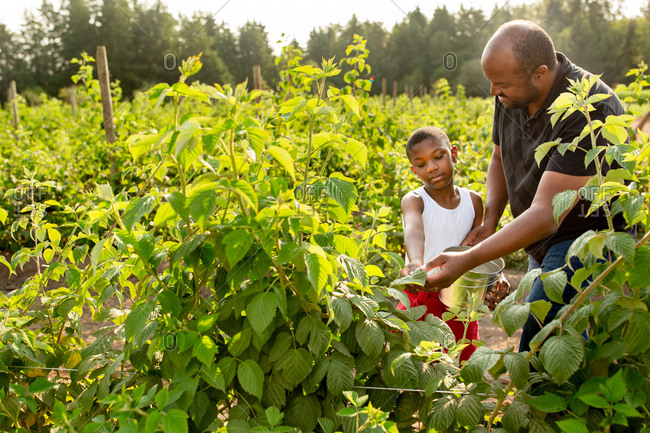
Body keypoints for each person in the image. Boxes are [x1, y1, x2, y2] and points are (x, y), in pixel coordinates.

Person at [420, 20, 625, 352]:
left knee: (544, 341)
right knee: (558, 330)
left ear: (540, 74)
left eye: (500, 84)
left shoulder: (590, 108)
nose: (493, 93)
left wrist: (468, 259)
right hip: (540, 239)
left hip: (588, 237)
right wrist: (489, 222)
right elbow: (499, 158)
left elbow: (547, 214)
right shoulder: (511, 94)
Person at [398, 126, 486, 363]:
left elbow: (479, 248)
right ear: (414, 171)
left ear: (454, 153)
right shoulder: (415, 200)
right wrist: (416, 263)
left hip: (459, 300)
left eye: (438, 157)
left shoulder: (473, 201)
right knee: (414, 359)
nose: (432, 167)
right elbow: (413, 230)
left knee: (460, 360)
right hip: (421, 292)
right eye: (421, 164)